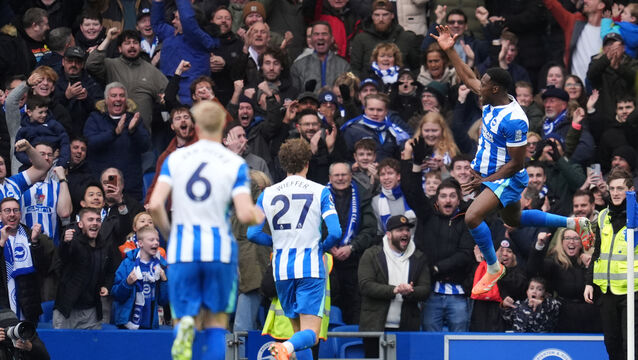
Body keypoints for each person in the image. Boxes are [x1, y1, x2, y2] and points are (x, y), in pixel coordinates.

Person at [431, 25, 594, 295]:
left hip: (506, 177)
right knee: (515, 220)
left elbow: (517, 164)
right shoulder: (492, 99)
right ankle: (573, 222)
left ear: (494, 88)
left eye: (483, 84)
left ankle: (493, 267)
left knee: (471, 217)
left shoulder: (516, 119)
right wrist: (450, 52)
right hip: (493, 174)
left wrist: (484, 180)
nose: (477, 86)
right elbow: (468, 78)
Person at [148, 100, 264, 360]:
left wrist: (169, 234)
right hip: (218, 251)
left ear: (196, 125)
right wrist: (262, 211)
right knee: (215, 325)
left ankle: (186, 326)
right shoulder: (234, 164)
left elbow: (155, 204)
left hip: (183, 249)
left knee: (185, 316)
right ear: (223, 126)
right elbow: (246, 214)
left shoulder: (175, 158)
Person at [247, 138, 342, 360]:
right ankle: (284, 349)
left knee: (298, 334)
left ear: (282, 164)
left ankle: (287, 349)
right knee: (311, 334)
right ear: (307, 162)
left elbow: (252, 233)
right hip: (310, 267)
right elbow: (336, 232)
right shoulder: (321, 192)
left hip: (281, 269)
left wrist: (276, 243)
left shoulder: (267, 194)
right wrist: (322, 248)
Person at [358, 214, 430, 358]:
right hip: (375, 326)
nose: (405, 233)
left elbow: (425, 289)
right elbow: (365, 285)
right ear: (388, 234)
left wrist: (411, 291)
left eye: (407, 230)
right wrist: (394, 290)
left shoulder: (419, 257)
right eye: (400, 230)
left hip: (407, 327)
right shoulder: (371, 254)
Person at [585, 168, 638, 360]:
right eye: (612, 188)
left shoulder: (637, 217)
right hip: (606, 290)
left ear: (630, 190)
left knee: (631, 345)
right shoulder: (602, 216)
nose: (615, 192)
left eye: (620, 188)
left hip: (632, 291)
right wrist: (589, 282)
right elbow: (597, 252)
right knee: (611, 343)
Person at [83, 82, 151, 201]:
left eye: (121, 95)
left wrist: (133, 131)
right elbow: (91, 143)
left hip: (130, 186)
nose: (118, 99)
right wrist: (114, 133)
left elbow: (145, 145)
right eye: (114, 95)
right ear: (106, 100)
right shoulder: (95, 118)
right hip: (101, 186)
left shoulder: (134, 119)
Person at [529, 229, 602, 333]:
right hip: (564, 318)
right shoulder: (554, 262)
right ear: (561, 242)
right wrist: (539, 245)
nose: (571, 242)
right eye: (567, 238)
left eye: (576, 238)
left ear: (581, 243)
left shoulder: (591, 261)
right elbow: (533, 270)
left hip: (591, 318)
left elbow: (600, 290)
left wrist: (590, 267)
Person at [54, 207, 114, 329]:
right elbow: (63, 258)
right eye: (90, 220)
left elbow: (111, 270)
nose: (94, 223)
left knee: (93, 348)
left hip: (92, 311)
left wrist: (107, 285)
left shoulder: (105, 247)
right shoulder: (73, 243)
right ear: (80, 224)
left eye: (98, 220)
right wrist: (65, 243)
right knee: (63, 348)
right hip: (67, 310)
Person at [0, 197, 53, 324]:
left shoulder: (30, 234)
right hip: (3, 303)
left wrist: (35, 242)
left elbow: (43, 269)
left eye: (15, 210)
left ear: (20, 213)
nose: (12, 214)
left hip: (28, 305)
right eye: (7, 210)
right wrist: (1, 244)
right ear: (0, 214)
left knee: (27, 342)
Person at [111, 226, 169, 329]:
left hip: (150, 324)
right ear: (140, 243)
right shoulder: (128, 263)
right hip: (128, 324)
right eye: (151, 240)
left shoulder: (161, 266)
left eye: (157, 240)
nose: (156, 242)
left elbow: (163, 301)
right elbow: (116, 294)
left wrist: (164, 281)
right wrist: (127, 283)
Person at [290, 22, 350, 93]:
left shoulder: (344, 66)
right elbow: (295, 97)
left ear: (332, 39)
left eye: (324, 34)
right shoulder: (298, 66)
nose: (320, 37)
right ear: (311, 39)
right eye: (316, 34)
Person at [14, 96, 70, 169]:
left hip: (54, 163)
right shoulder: (23, 130)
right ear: (29, 112)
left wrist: (62, 163)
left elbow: (65, 142)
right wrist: (31, 161)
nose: (44, 115)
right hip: (32, 166)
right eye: (40, 112)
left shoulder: (54, 125)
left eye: (45, 112)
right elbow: (18, 151)